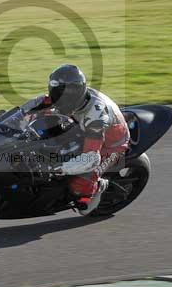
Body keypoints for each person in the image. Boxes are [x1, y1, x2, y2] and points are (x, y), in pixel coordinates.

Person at [21, 64, 130, 215]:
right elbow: (40, 103)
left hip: (110, 144)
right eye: (56, 95)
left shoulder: (95, 117)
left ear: (75, 95)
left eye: (62, 98)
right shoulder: (66, 97)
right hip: (80, 127)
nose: (58, 102)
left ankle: (98, 187)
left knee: (80, 186)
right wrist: (10, 117)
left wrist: (59, 169)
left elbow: (90, 158)